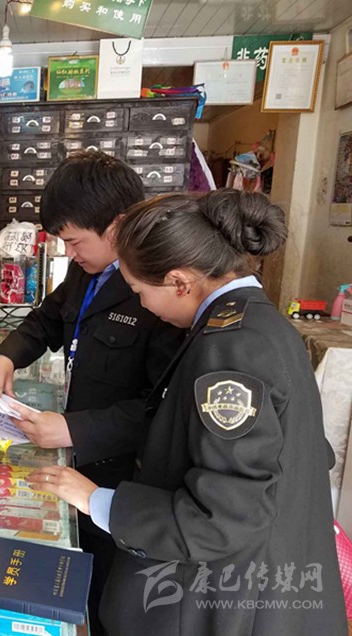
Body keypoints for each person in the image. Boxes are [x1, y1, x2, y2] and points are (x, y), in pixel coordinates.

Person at [26, 190, 346, 635]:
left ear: (179, 282)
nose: (141, 304)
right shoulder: (256, 323)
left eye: (139, 291)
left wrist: (96, 500)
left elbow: (221, 518)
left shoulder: (232, 350)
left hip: (230, 603)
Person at [0, 151, 184, 633]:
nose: (69, 253)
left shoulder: (160, 291)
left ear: (117, 226)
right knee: (79, 585)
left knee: (112, 598)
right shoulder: (85, 270)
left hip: (124, 481)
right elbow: (46, 320)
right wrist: (7, 355)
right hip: (77, 468)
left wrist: (75, 429)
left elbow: (161, 409)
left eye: (74, 241)